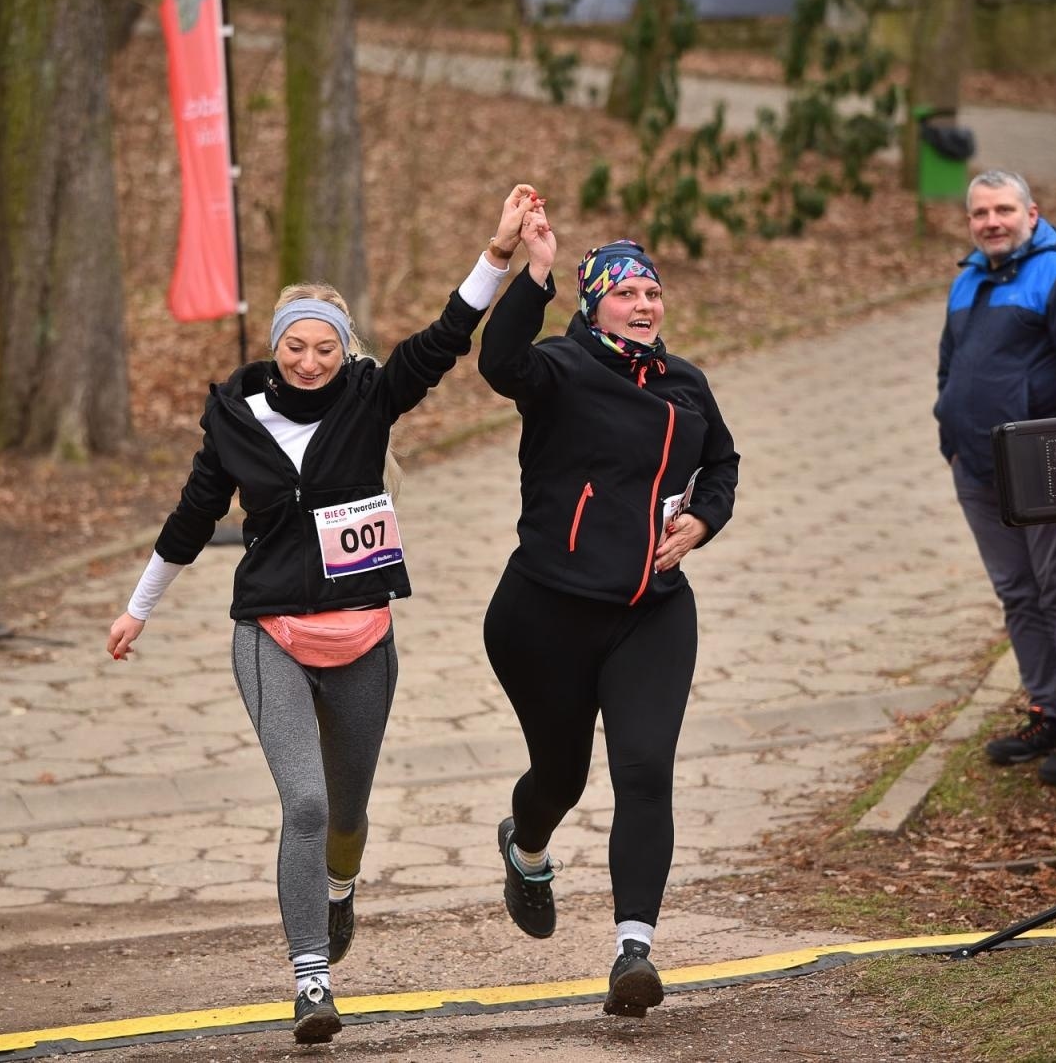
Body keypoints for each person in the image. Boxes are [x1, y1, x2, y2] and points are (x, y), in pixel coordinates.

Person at [105, 187, 540, 1045]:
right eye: (295, 348)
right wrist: (136, 609)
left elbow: (448, 337)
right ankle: (311, 980)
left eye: (324, 348)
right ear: (276, 349)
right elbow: (194, 517)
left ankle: (340, 886)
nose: (309, 362)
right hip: (271, 633)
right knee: (302, 804)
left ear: (346, 352)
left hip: (364, 635)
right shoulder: (237, 418)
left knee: (345, 815)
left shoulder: (370, 398)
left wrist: (497, 254)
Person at [477, 206, 739, 1019]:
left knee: (643, 770)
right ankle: (525, 849)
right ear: (593, 305)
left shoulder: (686, 383)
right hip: (544, 614)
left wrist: (705, 519)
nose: (643, 302)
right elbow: (498, 362)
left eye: (651, 290)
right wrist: (535, 272)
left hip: (650, 613)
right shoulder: (558, 367)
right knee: (563, 775)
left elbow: (722, 463)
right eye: (624, 291)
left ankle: (634, 951)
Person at [934, 169, 1056, 786]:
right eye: (980, 213)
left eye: (1003, 209)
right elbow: (949, 369)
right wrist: (949, 438)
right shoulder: (967, 282)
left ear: (1031, 213)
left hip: (1044, 466)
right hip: (977, 469)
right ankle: (1047, 709)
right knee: (1017, 592)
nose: (991, 222)